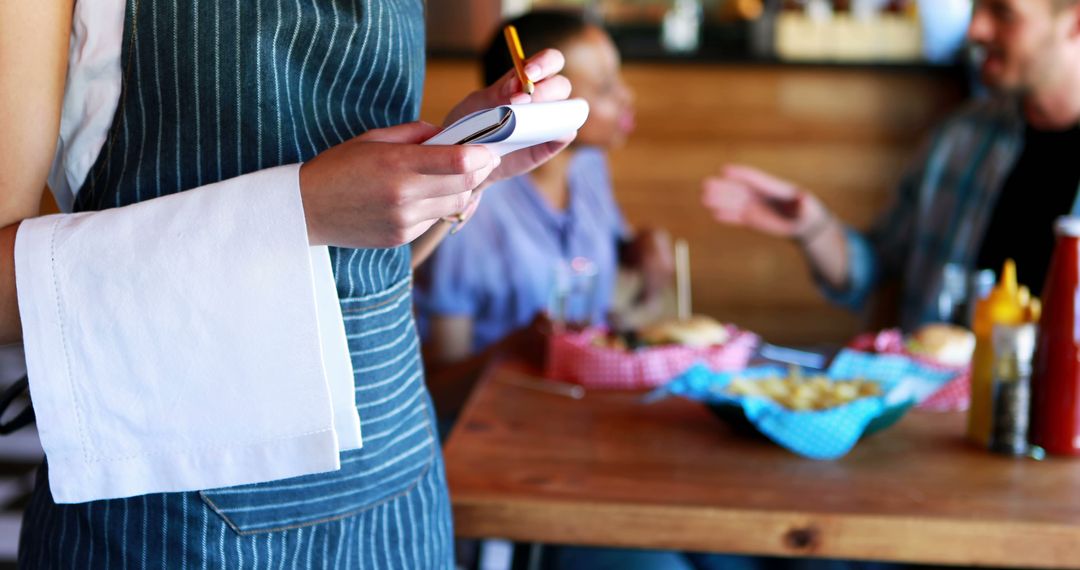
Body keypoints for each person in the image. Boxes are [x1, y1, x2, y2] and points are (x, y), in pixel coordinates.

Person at [2, 1, 575, 567]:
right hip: (172, 516)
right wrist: (303, 208)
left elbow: (362, 271)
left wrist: (458, 169)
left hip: (402, 489)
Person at [702, 0, 1080, 330]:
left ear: (1075, 22)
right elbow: (873, 268)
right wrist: (812, 226)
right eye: (977, 8)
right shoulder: (960, 136)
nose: (975, 29)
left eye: (1003, 11)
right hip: (935, 407)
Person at [416, 10, 675, 418]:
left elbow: (589, 256)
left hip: (586, 412)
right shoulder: (469, 211)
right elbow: (438, 386)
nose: (627, 96)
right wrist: (513, 347)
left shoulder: (588, 166)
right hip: (500, 429)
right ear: (543, 99)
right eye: (606, 87)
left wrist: (638, 246)